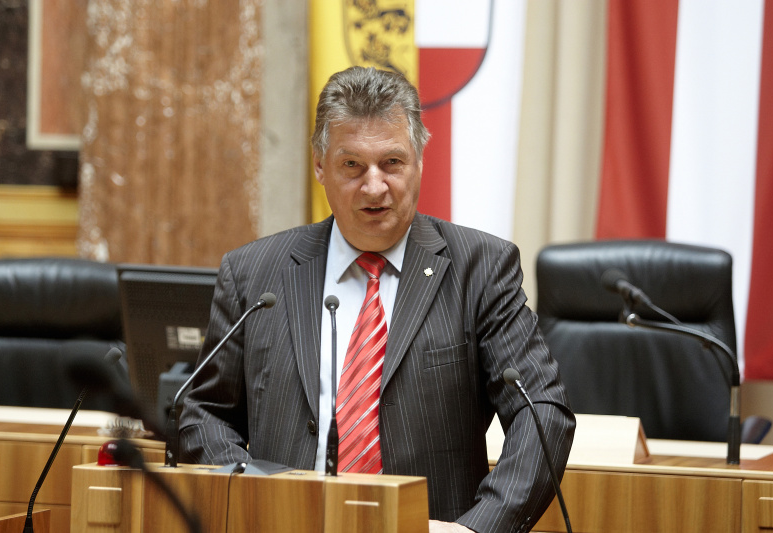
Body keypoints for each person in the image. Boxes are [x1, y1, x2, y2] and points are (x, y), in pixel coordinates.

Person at [179, 66, 575, 533]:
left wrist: (478, 529)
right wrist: (251, 495)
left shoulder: (480, 268)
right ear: (320, 165)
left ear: (419, 161)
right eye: (351, 165)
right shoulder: (253, 273)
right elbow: (201, 410)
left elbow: (542, 410)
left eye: (391, 163)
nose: (373, 187)